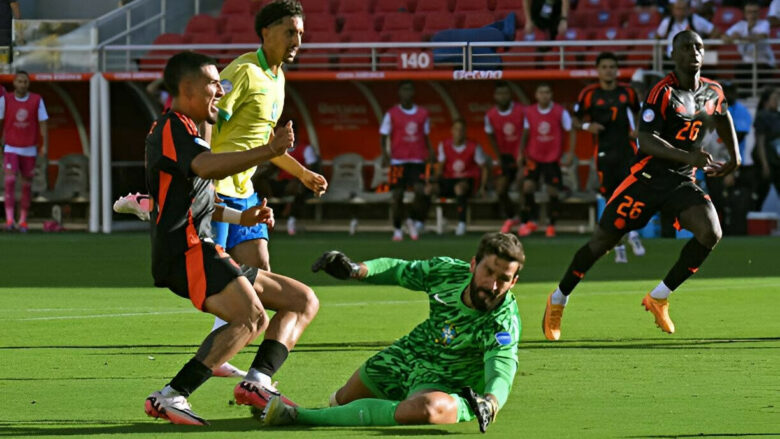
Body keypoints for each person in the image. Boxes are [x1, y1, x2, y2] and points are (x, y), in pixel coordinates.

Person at [143, 51, 318, 425]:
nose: (220, 91)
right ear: (187, 88)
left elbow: (200, 201)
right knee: (251, 318)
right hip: (185, 251)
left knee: (302, 300)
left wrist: (243, 217)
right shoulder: (171, 127)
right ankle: (170, 396)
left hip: (201, 247)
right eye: (213, 83)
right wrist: (269, 150)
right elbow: (206, 168)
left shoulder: (191, 133)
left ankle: (257, 382)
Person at [542, 30, 741, 341]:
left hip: (681, 181)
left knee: (710, 232)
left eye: (699, 46)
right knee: (601, 244)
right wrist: (689, 155)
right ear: (673, 54)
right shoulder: (661, 92)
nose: (694, 52)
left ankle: (659, 297)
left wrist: (735, 156)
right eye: (686, 47)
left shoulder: (713, 90)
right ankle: (558, 299)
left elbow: (723, 115)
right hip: (646, 180)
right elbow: (646, 141)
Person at [258, 232, 524, 433]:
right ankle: (393, 406)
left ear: (513, 282)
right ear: (474, 264)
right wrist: (356, 270)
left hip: (448, 382)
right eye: (489, 271)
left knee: (428, 409)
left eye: (503, 278)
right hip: (408, 354)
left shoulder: (503, 322)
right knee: (340, 402)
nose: (493, 284)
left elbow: (501, 370)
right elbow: (399, 270)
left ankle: (297, 415)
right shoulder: (447, 273)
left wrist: (491, 401)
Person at [208, 0, 327, 272]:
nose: (297, 41)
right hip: (217, 191)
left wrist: (302, 174)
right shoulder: (244, 71)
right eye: (290, 33)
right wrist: (203, 180)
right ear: (266, 32)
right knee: (216, 276)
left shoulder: (278, 78)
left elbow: (266, 142)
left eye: (300, 34)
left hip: (244, 191)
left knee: (261, 269)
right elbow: (207, 120)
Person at [573, 52, 645, 263]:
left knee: (630, 194)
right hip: (603, 152)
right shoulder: (589, 94)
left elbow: (641, 114)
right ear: (598, 70)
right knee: (610, 198)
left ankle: (632, 234)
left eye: (612, 67)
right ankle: (619, 244)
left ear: (617, 70)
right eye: (604, 67)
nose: (608, 71)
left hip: (627, 151)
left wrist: (638, 129)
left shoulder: (628, 92)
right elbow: (575, 120)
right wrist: (587, 126)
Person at [379, 80, 435, 241]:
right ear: (399, 93)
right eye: (404, 90)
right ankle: (397, 228)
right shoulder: (392, 113)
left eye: (409, 90)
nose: (407, 93)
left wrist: (430, 152)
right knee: (397, 195)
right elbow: (383, 135)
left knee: (420, 191)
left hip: (417, 160)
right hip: (398, 160)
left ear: (413, 92)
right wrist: (385, 154)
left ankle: (411, 218)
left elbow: (426, 135)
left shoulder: (423, 113)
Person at [516, 82, 574, 238]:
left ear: (551, 95)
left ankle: (551, 224)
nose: (544, 95)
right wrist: (521, 152)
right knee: (528, 186)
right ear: (536, 95)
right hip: (534, 156)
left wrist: (570, 153)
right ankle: (532, 220)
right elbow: (526, 132)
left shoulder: (560, 111)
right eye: (541, 92)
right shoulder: (529, 112)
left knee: (552, 190)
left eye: (547, 92)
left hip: (552, 157)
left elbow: (571, 131)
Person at [1, 71, 48, 232]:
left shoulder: (37, 100)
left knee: (26, 185)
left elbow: (43, 123)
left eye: (25, 82)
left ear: (29, 84)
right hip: (11, 147)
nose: (22, 84)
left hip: (29, 148)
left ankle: (22, 220)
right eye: (20, 81)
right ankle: (9, 219)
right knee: (9, 181)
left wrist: (44, 145)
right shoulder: (5, 99)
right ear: (14, 83)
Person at [252, 128, 321, 236]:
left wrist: (299, 179)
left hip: (298, 183)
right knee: (259, 183)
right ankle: (260, 215)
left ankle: (291, 219)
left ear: (295, 134)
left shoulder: (305, 149)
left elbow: (313, 169)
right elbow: (272, 168)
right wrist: (260, 177)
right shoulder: (279, 149)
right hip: (282, 183)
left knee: (300, 186)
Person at [432, 118, 488, 236]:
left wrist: (482, 187)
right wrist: (434, 180)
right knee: (430, 189)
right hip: (450, 179)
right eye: (456, 129)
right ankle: (420, 222)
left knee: (459, 188)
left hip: (467, 180)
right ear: (452, 131)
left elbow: (484, 168)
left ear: (465, 132)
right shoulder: (444, 145)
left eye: (461, 130)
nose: (459, 132)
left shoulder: (473, 146)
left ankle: (462, 223)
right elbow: (440, 167)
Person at [484, 81, 525, 234]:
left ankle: (524, 219)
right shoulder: (490, 115)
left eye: (506, 93)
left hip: (522, 155)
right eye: (500, 93)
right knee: (501, 189)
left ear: (510, 95)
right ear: (495, 96)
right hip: (505, 157)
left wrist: (522, 153)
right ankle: (511, 216)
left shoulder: (521, 111)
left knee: (522, 182)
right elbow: (491, 136)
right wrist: (499, 155)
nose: (503, 96)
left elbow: (528, 132)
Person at [722, 0, 775, 83]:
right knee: (739, 70)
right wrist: (731, 37)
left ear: (759, 13)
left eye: (755, 12)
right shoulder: (740, 25)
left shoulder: (764, 23)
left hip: (764, 63)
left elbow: (760, 36)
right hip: (747, 63)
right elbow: (724, 36)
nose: (752, 15)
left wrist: (739, 37)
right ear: (745, 13)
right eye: (749, 12)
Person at [752, 87, 780, 210]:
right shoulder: (762, 116)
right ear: (766, 101)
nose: (777, 101)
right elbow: (760, 142)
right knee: (762, 191)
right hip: (767, 160)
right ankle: (753, 214)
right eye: (774, 99)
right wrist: (765, 164)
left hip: (777, 160)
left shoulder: (777, 115)